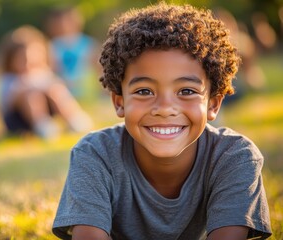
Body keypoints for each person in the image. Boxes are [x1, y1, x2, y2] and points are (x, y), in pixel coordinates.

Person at [52, 3, 272, 240]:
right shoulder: (95, 154)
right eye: (145, 91)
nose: (165, 109)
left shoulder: (235, 157)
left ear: (213, 104)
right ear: (119, 102)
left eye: (186, 91)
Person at [0, 25, 93, 139]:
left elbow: (57, 88)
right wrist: (29, 87)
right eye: (22, 60)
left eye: (32, 60)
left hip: (46, 110)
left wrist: (48, 87)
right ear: (11, 60)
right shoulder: (10, 79)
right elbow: (8, 102)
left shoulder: (43, 74)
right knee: (32, 95)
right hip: (18, 119)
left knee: (55, 90)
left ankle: (73, 118)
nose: (27, 64)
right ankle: (42, 125)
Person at [45, 6, 101, 100]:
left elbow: (98, 67)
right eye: (60, 22)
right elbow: (50, 70)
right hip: (62, 92)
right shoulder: (52, 46)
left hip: (87, 90)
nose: (64, 25)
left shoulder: (88, 44)